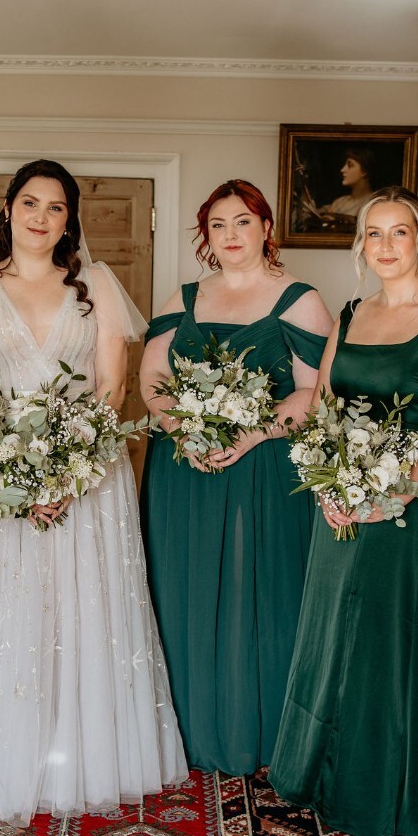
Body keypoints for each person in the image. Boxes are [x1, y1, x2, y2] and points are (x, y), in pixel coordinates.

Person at [0, 159, 187, 824]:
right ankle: (12, 759)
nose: (42, 218)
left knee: (81, 610)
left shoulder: (95, 283)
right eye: (31, 203)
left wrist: (72, 473)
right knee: (12, 612)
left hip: (87, 478)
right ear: (7, 209)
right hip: (0, 475)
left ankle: (86, 758)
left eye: (57, 208)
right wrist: (18, 478)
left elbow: (110, 388)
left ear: (70, 220)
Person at [269, 186, 418, 836]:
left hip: (403, 508)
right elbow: (321, 403)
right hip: (338, 499)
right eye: (373, 234)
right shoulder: (349, 316)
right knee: (326, 636)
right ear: (360, 247)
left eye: (398, 232)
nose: (385, 246)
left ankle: (377, 794)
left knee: (381, 644)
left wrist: (393, 491)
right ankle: (312, 773)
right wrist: (326, 478)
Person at [138, 179, 333, 775]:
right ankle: (187, 734)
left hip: (264, 471)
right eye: (218, 225)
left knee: (261, 594)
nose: (230, 236)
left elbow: (313, 394)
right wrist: (182, 429)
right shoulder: (184, 295)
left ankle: (265, 736)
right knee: (183, 589)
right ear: (206, 235)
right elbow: (150, 379)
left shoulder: (299, 300)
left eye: (242, 222)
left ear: (266, 229)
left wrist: (252, 433)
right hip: (185, 473)